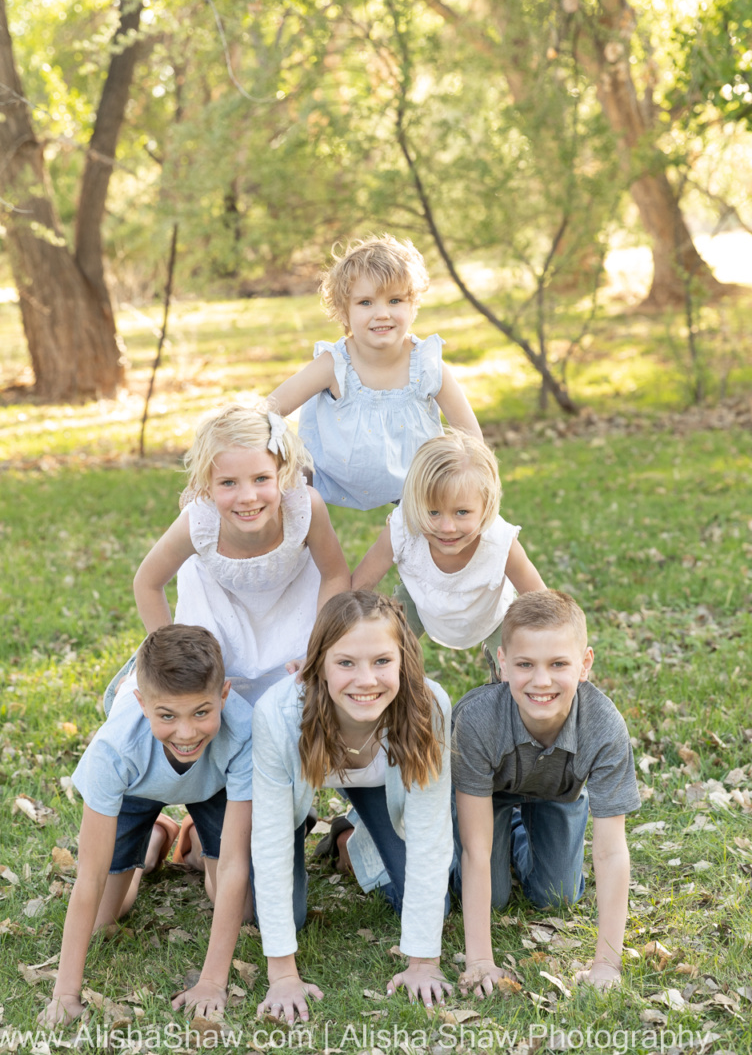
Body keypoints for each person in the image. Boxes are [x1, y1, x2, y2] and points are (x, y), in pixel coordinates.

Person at [251, 591, 453, 1024]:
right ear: (318, 664)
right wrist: (282, 974)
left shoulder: (427, 707)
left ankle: (348, 834)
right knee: (278, 913)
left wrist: (422, 963)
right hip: (299, 787)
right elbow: (268, 845)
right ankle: (207, 838)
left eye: (382, 661)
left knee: (425, 900)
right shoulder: (278, 714)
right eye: (346, 663)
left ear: (403, 661)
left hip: (379, 786)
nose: (366, 680)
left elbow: (430, 838)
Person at [38, 625, 253, 1026]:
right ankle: (154, 840)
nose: (187, 732)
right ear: (141, 703)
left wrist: (212, 982)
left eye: (202, 712)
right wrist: (65, 994)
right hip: (138, 785)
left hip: (213, 782)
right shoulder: (114, 749)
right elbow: (89, 876)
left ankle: (190, 839)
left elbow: (236, 865)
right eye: (167, 715)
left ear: (223, 696)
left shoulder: (243, 734)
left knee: (239, 907)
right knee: (107, 917)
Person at [451, 590, 640, 997]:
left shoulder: (604, 727)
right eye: (525, 665)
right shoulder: (477, 721)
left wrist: (607, 965)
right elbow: (476, 851)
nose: (541, 681)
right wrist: (480, 960)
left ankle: (525, 827)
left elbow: (611, 852)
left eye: (558, 664)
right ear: (502, 664)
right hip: (490, 794)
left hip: (558, 792)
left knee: (558, 896)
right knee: (492, 897)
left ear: (585, 664)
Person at [132, 401, 350, 707]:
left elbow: (335, 574)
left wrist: (320, 646)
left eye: (261, 478)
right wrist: (170, 659)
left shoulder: (304, 508)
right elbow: (147, 583)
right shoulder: (199, 522)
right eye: (228, 483)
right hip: (218, 617)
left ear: (282, 473)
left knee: (307, 700)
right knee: (193, 699)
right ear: (206, 486)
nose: (247, 497)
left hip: (291, 616)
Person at [268, 235, 481, 510]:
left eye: (394, 300)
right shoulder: (335, 364)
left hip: (417, 486)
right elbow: (269, 409)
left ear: (412, 305)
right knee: (290, 493)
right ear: (344, 312)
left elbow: (473, 440)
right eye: (366, 303)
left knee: (439, 526)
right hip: (330, 475)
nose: (382, 313)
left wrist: (471, 489)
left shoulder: (426, 363)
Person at [352, 431, 544, 669]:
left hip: (492, 614)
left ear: (487, 507)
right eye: (433, 512)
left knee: (516, 670)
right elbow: (357, 587)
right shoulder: (404, 528)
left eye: (462, 512)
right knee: (381, 653)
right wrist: (334, 641)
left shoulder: (500, 544)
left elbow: (543, 602)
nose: (447, 528)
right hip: (418, 597)